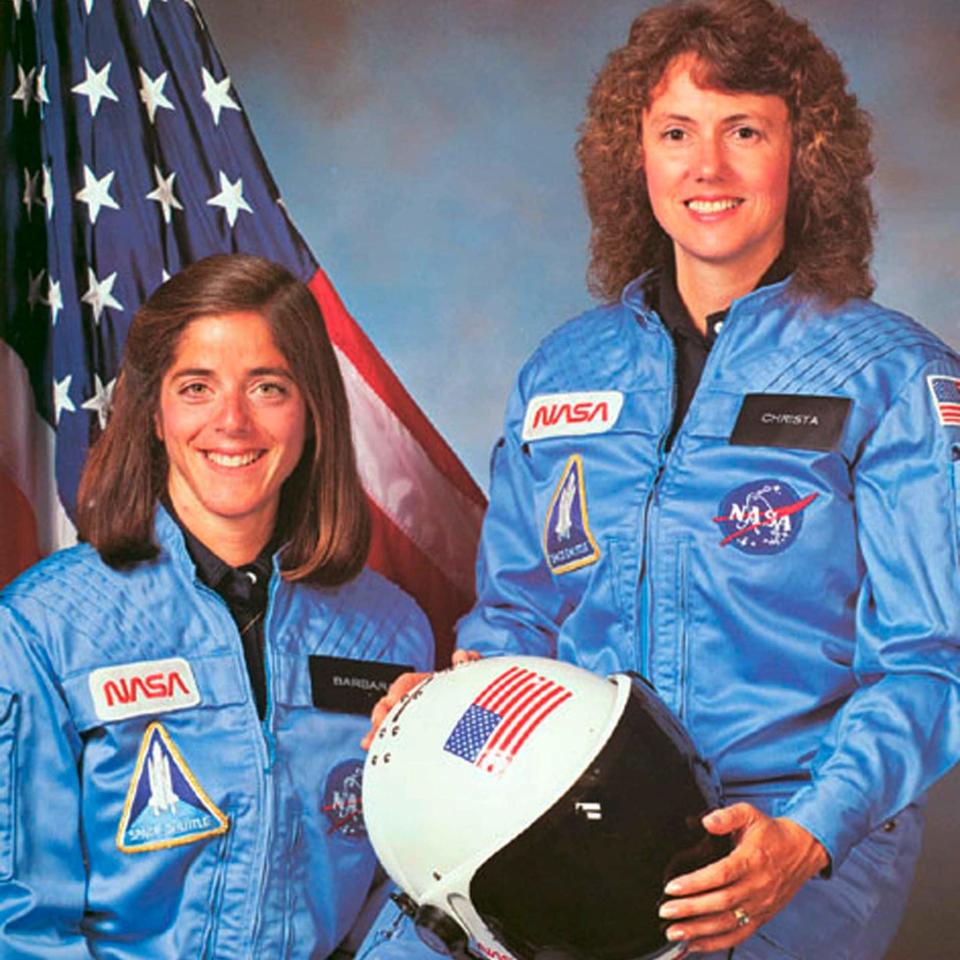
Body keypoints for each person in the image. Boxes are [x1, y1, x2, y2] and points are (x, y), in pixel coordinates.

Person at [366, 1, 960, 958]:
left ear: (803, 155)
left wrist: (807, 838)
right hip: (560, 802)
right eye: (676, 132)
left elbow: (931, 660)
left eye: (744, 131)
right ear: (632, 153)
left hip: (778, 834)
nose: (707, 167)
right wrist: (445, 713)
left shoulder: (890, 377)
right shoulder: (566, 370)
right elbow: (516, 611)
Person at [0, 254, 433, 957]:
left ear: (312, 413)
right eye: (197, 387)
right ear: (155, 413)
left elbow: (407, 893)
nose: (231, 421)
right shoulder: (46, 629)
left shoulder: (388, 634)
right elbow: (19, 919)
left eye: (268, 387)